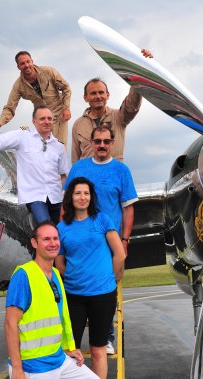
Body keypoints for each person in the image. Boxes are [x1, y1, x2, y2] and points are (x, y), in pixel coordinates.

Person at [65, 126, 139, 354]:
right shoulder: (79, 168)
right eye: (98, 141)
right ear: (91, 142)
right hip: (80, 239)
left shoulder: (121, 171)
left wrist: (124, 239)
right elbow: (67, 202)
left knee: (108, 287)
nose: (102, 146)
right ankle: (71, 341)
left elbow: (128, 209)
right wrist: (63, 232)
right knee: (75, 286)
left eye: (106, 142)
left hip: (109, 240)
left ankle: (105, 336)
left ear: (113, 143)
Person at [5, 221, 98, 379]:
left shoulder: (55, 274)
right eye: (46, 239)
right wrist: (17, 369)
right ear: (34, 243)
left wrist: (68, 349)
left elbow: (56, 320)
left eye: (56, 238)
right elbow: (10, 323)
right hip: (34, 366)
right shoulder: (24, 275)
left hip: (59, 359)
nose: (53, 243)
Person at [55, 177, 125, 379]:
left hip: (102, 295)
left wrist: (113, 277)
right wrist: (76, 277)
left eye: (86, 193)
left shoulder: (102, 219)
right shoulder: (61, 228)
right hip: (73, 296)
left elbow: (119, 253)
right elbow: (59, 263)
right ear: (71, 197)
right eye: (78, 193)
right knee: (71, 351)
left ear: (91, 197)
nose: (82, 197)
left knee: (98, 350)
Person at [0, 106, 69, 226]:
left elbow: (63, 174)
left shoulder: (59, 146)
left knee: (60, 230)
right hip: (34, 197)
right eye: (42, 118)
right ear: (34, 122)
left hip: (55, 197)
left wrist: (63, 195)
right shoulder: (23, 136)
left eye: (50, 118)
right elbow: (2, 139)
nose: (47, 121)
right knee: (46, 226)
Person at [71, 49, 153, 163]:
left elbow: (132, 103)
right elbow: (75, 160)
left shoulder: (119, 117)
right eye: (93, 93)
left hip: (113, 176)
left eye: (101, 92)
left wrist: (142, 67)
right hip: (88, 179)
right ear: (85, 97)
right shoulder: (78, 124)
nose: (98, 96)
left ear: (108, 95)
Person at [0, 51, 72, 146]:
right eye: (22, 63)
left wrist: (66, 108)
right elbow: (10, 107)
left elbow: (66, 88)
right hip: (41, 119)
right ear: (18, 67)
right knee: (43, 149)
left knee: (59, 147)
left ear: (32, 61)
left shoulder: (48, 71)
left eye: (28, 62)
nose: (26, 65)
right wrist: (0, 123)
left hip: (59, 114)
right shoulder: (18, 86)